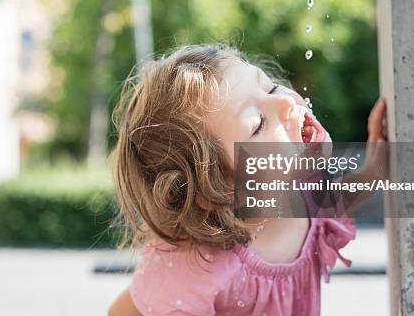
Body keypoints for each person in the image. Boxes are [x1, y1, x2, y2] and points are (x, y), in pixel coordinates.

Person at [108, 44, 387, 315]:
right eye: (257, 124)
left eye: (270, 87)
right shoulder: (200, 267)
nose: (285, 100)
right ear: (218, 188)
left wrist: (374, 169)